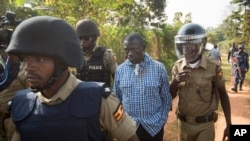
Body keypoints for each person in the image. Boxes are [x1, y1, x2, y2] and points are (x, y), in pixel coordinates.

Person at [6, 16, 140, 141]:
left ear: (63, 62)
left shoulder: (102, 101)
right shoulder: (22, 104)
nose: (28, 68)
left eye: (40, 59)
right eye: (24, 59)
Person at [170, 23, 231, 141]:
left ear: (201, 44)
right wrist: (175, 82)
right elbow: (170, 96)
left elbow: (223, 94)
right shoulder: (177, 67)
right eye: (183, 45)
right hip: (183, 125)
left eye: (190, 44)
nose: (186, 48)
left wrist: (229, 125)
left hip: (205, 125)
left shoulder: (213, 67)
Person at [113, 33, 172, 141]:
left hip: (154, 127)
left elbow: (166, 98)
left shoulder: (158, 68)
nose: (129, 53)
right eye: (127, 50)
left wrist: (162, 120)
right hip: (129, 128)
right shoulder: (120, 70)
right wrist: (120, 124)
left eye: (133, 49)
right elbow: (117, 100)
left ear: (143, 47)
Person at [75, 19, 118, 87]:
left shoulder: (106, 54)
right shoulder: (77, 55)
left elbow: (118, 79)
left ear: (94, 38)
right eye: (80, 38)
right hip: (82, 96)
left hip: (101, 96)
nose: (82, 41)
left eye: (86, 38)